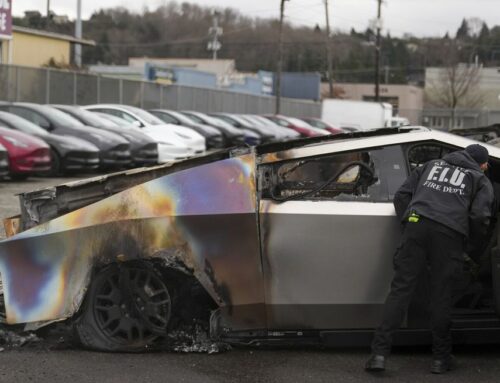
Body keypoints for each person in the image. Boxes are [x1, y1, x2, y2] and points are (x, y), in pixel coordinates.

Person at [365, 144, 494, 374]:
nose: (486, 168)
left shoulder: (430, 165)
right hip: (449, 235)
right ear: (481, 164)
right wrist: (470, 246)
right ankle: (440, 359)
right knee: (441, 295)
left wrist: (410, 224)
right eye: (486, 165)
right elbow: (480, 217)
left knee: (400, 290)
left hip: (416, 225)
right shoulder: (479, 179)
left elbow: (402, 195)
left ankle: (379, 355)